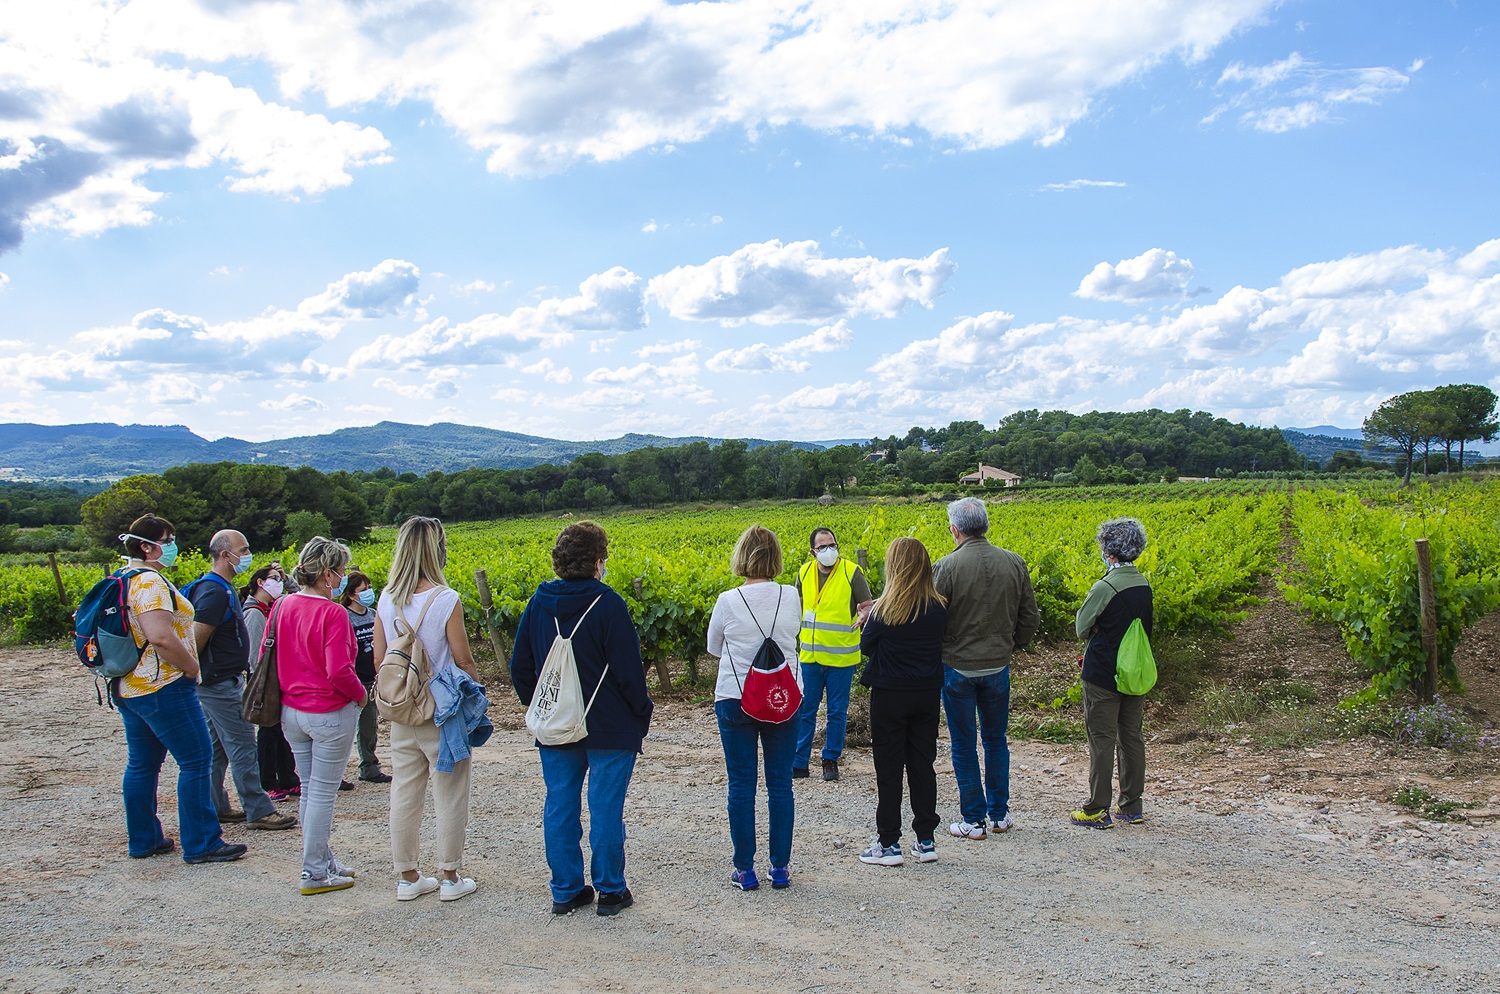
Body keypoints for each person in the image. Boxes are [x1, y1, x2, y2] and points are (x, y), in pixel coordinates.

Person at [511, 521, 653, 917]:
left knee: (560, 804)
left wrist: (541, 703)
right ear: (596, 561)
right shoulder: (608, 604)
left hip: (557, 727)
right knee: (605, 807)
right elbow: (628, 672)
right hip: (609, 725)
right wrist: (641, 712)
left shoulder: (538, 604)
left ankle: (566, 890)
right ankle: (610, 890)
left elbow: (519, 667)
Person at [111, 514, 247, 864]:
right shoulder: (150, 582)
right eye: (167, 540)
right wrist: (191, 667)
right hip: (163, 685)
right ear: (147, 545)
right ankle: (202, 842)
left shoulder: (120, 578)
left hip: (129, 684)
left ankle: (144, 839)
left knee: (141, 765)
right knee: (196, 760)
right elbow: (159, 635)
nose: (172, 546)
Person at [373, 517, 485, 903]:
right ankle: (450, 876)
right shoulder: (445, 598)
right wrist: (476, 696)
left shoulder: (386, 598)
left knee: (405, 790)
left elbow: (379, 659)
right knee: (450, 791)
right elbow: (462, 658)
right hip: (441, 709)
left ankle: (408, 877)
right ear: (436, 550)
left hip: (402, 708)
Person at [934, 496, 1040, 840]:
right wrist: (1012, 644)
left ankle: (973, 819)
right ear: (986, 526)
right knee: (996, 740)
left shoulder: (946, 567)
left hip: (957, 667)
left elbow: (933, 620)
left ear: (954, 530)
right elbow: (1029, 617)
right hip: (997, 664)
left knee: (963, 744)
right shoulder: (1014, 562)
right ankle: (999, 814)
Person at [706, 525, 802, 891]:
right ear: (775, 557)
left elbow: (715, 647)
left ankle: (744, 870)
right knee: (780, 785)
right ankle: (780, 868)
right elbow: (793, 636)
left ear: (741, 557)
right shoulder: (791, 596)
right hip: (783, 698)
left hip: (736, 697)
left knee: (741, 785)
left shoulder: (727, 600)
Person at [188, 530, 296, 832]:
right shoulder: (214, 592)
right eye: (243, 549)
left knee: (217, 748)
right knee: (242, 745)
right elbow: (196, 640)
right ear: (225, 554)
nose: (247, 555)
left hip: (214, 681)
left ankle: (217, 805)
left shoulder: (218, 588)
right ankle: (258, 808)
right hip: (220, 682)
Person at [274, 536, 366, 895]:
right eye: (342, 571)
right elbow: (339, 670)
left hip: (291, 710)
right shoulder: (332, 613)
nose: (344, 577)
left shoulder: (282, 605)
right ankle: (314, 871)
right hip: (328, 710)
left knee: (310, 790)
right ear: (328, 574)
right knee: (323, 794)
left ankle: (323, 860)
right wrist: (360, 696)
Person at [858, 537, 947, 867]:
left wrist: (867, 620)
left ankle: (888, 842)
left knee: (889, 767)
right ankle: (926, 840)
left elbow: (865, 647)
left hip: (889, 695)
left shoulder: (884, 608)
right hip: (926, 693)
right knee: (923, 764)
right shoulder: (938, 607)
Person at [1072, 518, 1154, 829]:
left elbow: (1082, 626)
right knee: (1131, 737)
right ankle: (1132, 806)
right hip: (1134, 672)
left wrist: (1095, 624)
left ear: (1109, 551)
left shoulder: (1104, 586)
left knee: (1102, 740)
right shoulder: (1143, 584)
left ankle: (1096, 809)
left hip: (1103, 674)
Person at [791, 526, 873, 781]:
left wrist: (864, 614)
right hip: (810, 657)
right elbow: (797, 606)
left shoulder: (852, 572)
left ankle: (830, 760)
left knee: (837, 712)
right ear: (813, 552)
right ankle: (799, 761)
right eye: (823, 547)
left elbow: (867, 606)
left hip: (840, 657)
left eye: (832, 545)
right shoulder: (804, 572)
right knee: (806, 710)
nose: (829, 551)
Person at [242, 563, 301, 802]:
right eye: (275, 579)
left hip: (276, 677)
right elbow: (255, 655)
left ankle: (288, 778)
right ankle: (268, 781)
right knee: (268, 732)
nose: (279, 583)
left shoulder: (271, 608)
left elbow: (297, 594)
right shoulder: (254, 613)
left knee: (280, 732)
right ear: (260, 583)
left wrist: (287, 578)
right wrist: (267, 684)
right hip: (266, 680)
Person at [342, 570, 391, 785]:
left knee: (369, 726)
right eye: (363, 590)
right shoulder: (344, 617)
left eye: (369, 587)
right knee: (344, 729)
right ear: (352, 595)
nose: (369, 592)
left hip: (372, 680)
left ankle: (369, 766)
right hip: (354, 679)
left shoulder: (373, 614)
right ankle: (337, 772)